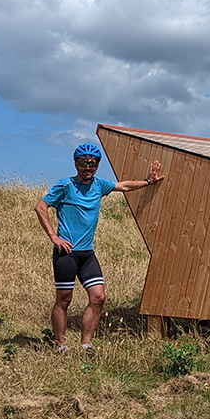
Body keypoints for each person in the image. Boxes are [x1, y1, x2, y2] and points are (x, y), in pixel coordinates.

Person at [35, 142, 164, 355]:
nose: (88, 167)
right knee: (64, 300)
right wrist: (53, 237)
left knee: (98, 297)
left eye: (93, 164)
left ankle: (86, 344)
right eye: (84, 163)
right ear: (76, 163)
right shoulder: (64, 186)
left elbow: (124, 186)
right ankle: (60, 345)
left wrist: (149, 181)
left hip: (87, 254)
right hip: (66, 253)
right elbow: (40, 207)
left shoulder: (99, 185)